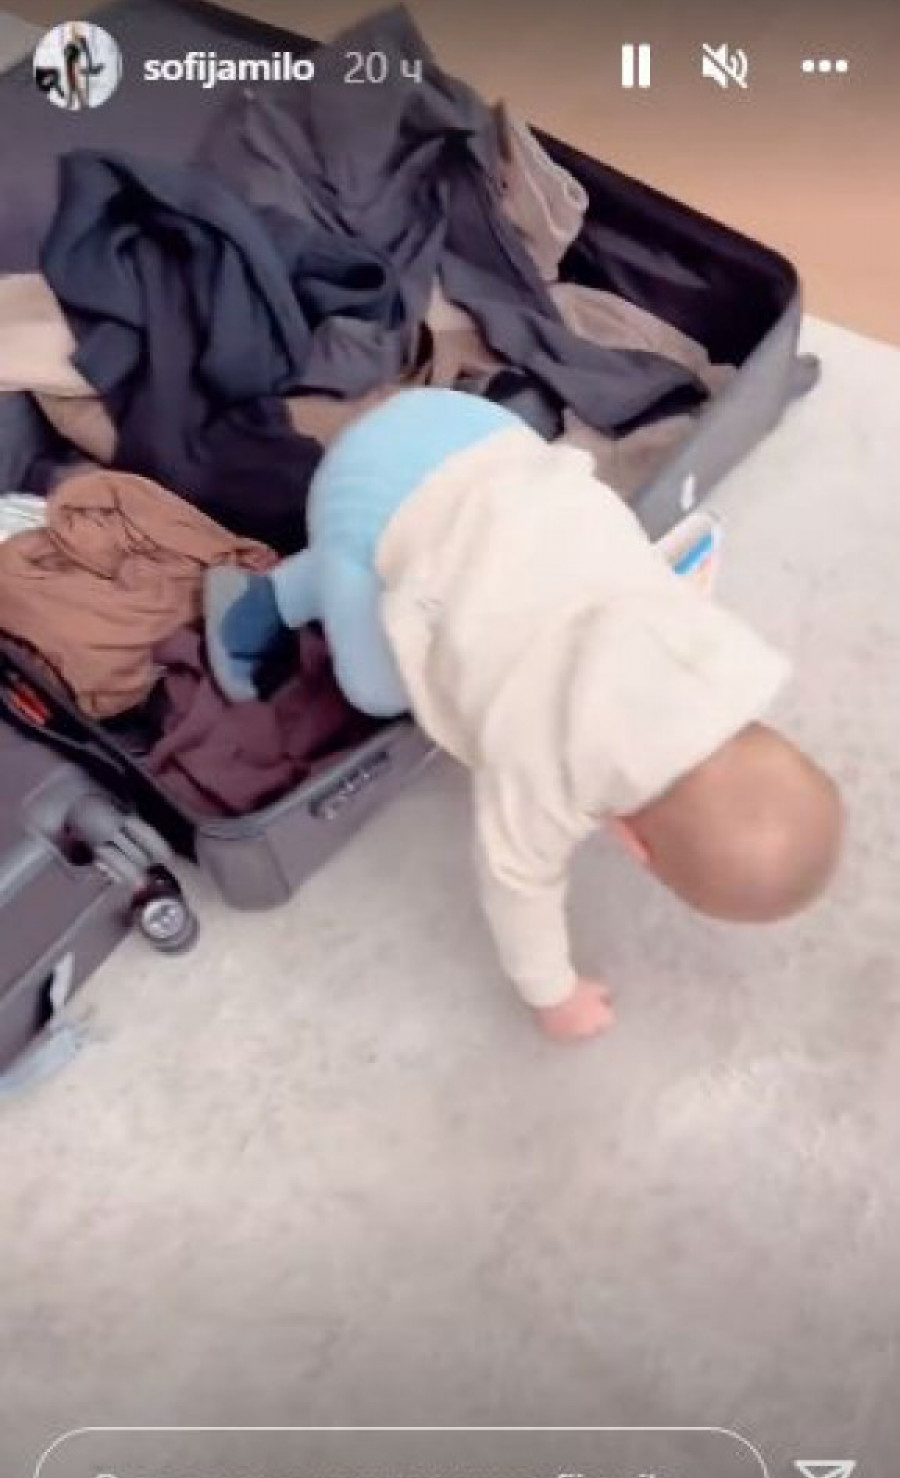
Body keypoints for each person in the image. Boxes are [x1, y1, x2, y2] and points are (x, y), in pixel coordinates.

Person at [205, 389, 842, 1040]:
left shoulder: (717, 649)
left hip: (480, 430)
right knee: (378, 689)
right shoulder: (543, 774)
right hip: (365, 492)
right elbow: (517, 887)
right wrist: (554, 996)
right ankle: (281, 594)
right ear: (633, 844)